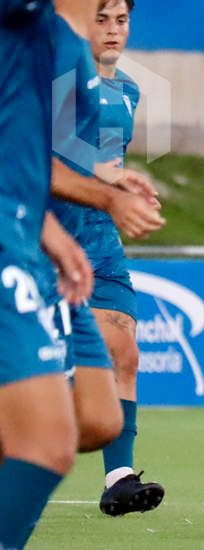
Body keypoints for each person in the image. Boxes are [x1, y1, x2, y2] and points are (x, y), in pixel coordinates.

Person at [51, 0, 166, 516]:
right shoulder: (55, 73)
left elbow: (106, 162)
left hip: (98, 234)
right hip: (46, 231)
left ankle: (119, 477)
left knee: (125, 349)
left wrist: (124, 193)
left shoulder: (131, 90)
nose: (113, 29)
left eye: (121, 19)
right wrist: (112, 178)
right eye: (102, 18)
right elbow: (52, 150)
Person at [0, 1, 94, 547]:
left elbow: (18, 145)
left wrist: (47, 231)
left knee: (41, 441)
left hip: (18, 230)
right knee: (47, 443)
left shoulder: (49, 35)